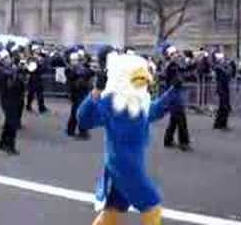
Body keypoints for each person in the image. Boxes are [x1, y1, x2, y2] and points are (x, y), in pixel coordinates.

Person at [77, 52, 179, 225]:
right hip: (123, 166)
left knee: (112, 209)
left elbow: (152, 112)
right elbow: (84, 120)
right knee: (152, 205)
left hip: (132, 163)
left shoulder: (139, 100)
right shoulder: (111, 102)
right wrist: (96, 91)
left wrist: (172, 92)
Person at [160, 43, 192, 152]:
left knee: (174, 119)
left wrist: (190, 61)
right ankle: (184, 143)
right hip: (173, 95)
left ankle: (167, 140)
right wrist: (180, 60)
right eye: (173, 53)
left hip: (175, 93)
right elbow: (180, 68)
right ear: (168, 54)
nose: (176, 54)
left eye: (175, 52)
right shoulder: (170, 65)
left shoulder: (174, 63)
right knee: (181, 119)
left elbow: (186, 69)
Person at [0, 49, 25, 155]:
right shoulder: (1, 70)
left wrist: (20, 72)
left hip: (14, 98)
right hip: (7, 99)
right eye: (6, 58)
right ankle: (10, 146)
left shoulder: (11, 68)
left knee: (8, 123)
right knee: (12, 123)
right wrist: (16, 72)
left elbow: (20, 83)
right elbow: (9, 83)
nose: (9, 60)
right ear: (2, 60)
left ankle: (3, 143)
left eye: (8, 58)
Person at [65, 48, 94, 139]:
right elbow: (73, 75)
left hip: (82, 92)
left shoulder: (84, 68)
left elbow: (90, 73)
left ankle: (80, 131)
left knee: (79, 112)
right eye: (74, 61)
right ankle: (74, 130)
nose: (75, 62)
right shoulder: (71, 69)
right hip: (76, 92)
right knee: (76, 112)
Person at [26, 42, 49, 114]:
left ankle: (41, 107)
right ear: (34, 50)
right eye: (37, 49)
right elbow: (30, 68)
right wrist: (38, 64)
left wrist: (42, 64)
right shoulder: (31, 58)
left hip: (38, 77)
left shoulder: (41, 58)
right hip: (33, 77)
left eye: (39, 49)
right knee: (31, 93)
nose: (39, 50)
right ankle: (28, 105)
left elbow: (44, 67)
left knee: (40, 93)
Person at [213, 52, 232, 130]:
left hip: (224, 88)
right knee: (223, 107)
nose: (225, 61)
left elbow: (229, 75)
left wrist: (228, 67)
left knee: (224, 107)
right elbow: (226, 74)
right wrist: (227, 67)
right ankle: (219, 124)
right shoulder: (219, 68)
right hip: (222, 89)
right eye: (223, 59)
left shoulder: (222, 68)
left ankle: (222, 123)